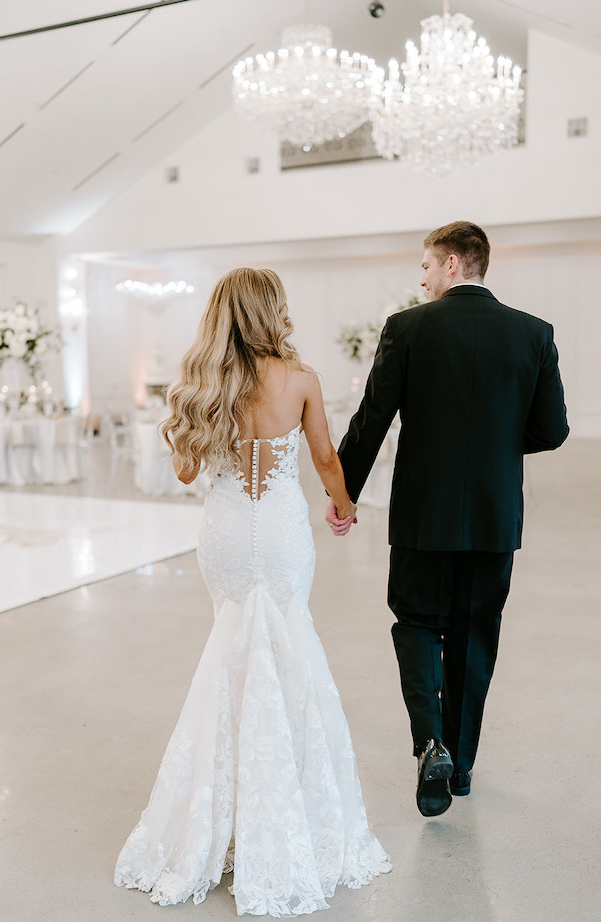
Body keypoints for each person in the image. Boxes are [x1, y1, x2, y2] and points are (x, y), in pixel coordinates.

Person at [114, 268, 391, 915]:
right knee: (290, 651)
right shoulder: (300, 379)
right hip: (285, 534)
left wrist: (177, 422)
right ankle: (289, 807)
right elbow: (325, 458)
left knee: (231, 654)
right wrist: (344, 507)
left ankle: (225, 816)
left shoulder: (203, 385)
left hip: (228, 535)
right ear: (273, 311)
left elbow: (185, 472)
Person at [326, 221, 569, 817]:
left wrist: (343, 493)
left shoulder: (407, 329)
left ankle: (428, 742)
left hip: (421, 516)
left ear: (454, 264)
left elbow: (371, 419)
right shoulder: (533, 334)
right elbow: (554, 429)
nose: (423, 278)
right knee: (473, 633)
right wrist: (495, 443)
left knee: (415, 622)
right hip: (492, 518)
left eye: (428, 267)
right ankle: (459, 767)